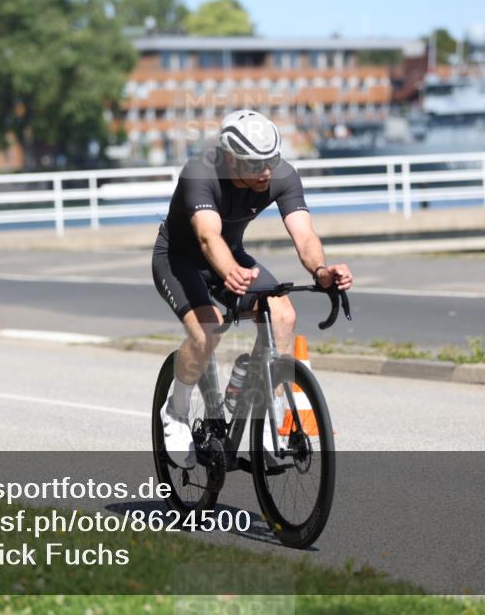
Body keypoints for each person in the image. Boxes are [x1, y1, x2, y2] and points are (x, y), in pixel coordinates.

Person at [152, 110, 354, 468]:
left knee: (283, 313)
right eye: (254, 163)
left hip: (230, 255)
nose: (265, 171)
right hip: (180, 258)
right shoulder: (201, 173)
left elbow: (304, 234)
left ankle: (270, 419)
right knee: (208, 329)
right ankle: (177, 411)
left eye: (271, 160)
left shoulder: (281, 175)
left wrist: (321, 270)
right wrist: (229, 270)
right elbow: (206, 235)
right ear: (230, 158)